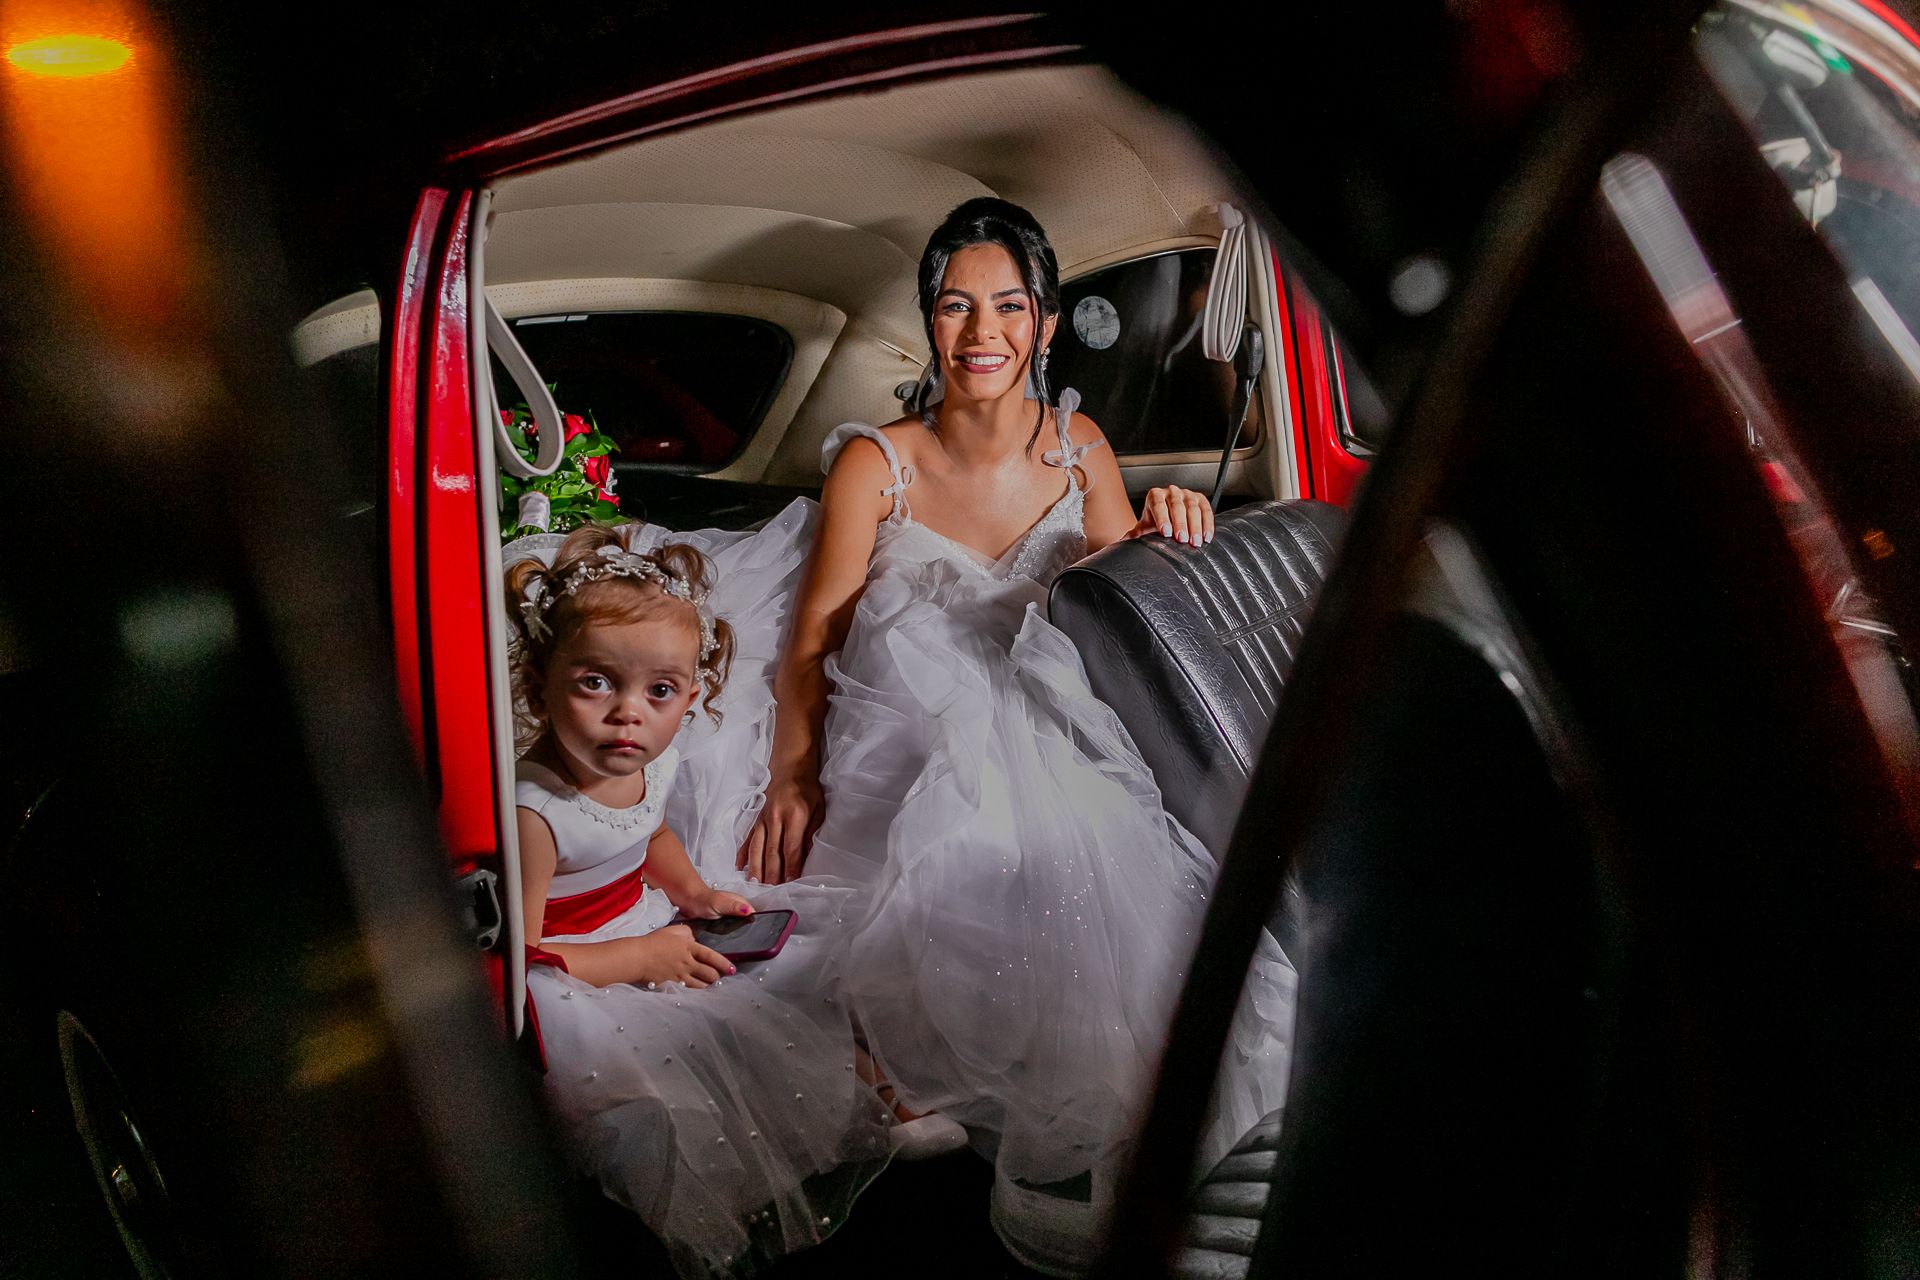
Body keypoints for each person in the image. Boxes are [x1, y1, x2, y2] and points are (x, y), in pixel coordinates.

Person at [630, 197, 1296, 1274]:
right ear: (930, 322)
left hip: (1043, 691)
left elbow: (1115, 593)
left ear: (1046, 323)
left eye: (1009, 306)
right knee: (946, 806)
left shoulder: (1081, 445)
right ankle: (921, 1079)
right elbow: (817, 635)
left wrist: (1167, 521)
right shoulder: (876, 463)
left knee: (1089, 859)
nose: (982, 332)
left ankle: (1093, 1141)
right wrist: (793, 773)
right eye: (954, 306)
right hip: (899, 695)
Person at [504, 526, 898, 1278]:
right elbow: (517, 961)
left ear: (691, 696)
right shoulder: (535, 810)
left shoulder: (649, 762)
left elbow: (649, 835)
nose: (628, 715)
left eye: (659, 691)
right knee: (667, 1081)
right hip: (574, 968)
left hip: (645, 926)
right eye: (596, 683)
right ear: (539, 685)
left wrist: (693, 892)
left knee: (783, 987)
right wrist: (637, 957)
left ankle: (867, 1108)